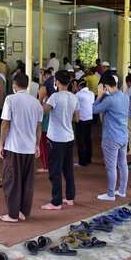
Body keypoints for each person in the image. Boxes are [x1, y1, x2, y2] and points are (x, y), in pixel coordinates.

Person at [0, 74, 43, 223]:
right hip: (29, 148)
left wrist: (1, 144)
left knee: (11, 180)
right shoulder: (36, 102)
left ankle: (12, 214)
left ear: (15, 86)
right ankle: (23, 211)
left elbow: (5, 124)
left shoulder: (10, 99)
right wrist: (37, 145)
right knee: (26, 181)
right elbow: (39, 126)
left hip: (14, 147)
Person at [41, 70, 79, 210]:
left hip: (56, 138)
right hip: (69, 137)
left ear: (56, 81)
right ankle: (69, 197)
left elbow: (42, 111)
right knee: (68, 169)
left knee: (55, 171)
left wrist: (41, 99)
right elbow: (77, 118)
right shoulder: (74, 97)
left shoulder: (55, 97)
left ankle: (56, 202)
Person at [92, 73, 129, 200]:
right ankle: (122, 190)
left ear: (106, 86)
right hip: (123, 136)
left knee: (111, 167)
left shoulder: (109, 100)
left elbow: (94, 110)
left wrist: (99, 96)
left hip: (111, 138)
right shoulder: (125, 97)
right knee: (123, 164)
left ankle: (110, 193)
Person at [75, 79, 94, 167]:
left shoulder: (78, 94)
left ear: (79, 86)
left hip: (81, 119)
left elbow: (74, 106)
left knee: (81, 141)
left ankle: (82, 161)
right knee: (88, 139)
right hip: (90, 118)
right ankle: (88, 159)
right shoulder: (91, 93)